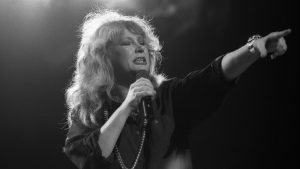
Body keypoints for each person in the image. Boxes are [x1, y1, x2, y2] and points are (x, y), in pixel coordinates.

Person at [63, 9, 291, 169]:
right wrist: (125, 108)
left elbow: (213, 76)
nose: (139, 48)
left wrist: (253, 49)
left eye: (142, 42)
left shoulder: (168, 97)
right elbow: (91, 158)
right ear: (104, 56)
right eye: (127, 43)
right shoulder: (89, 110)